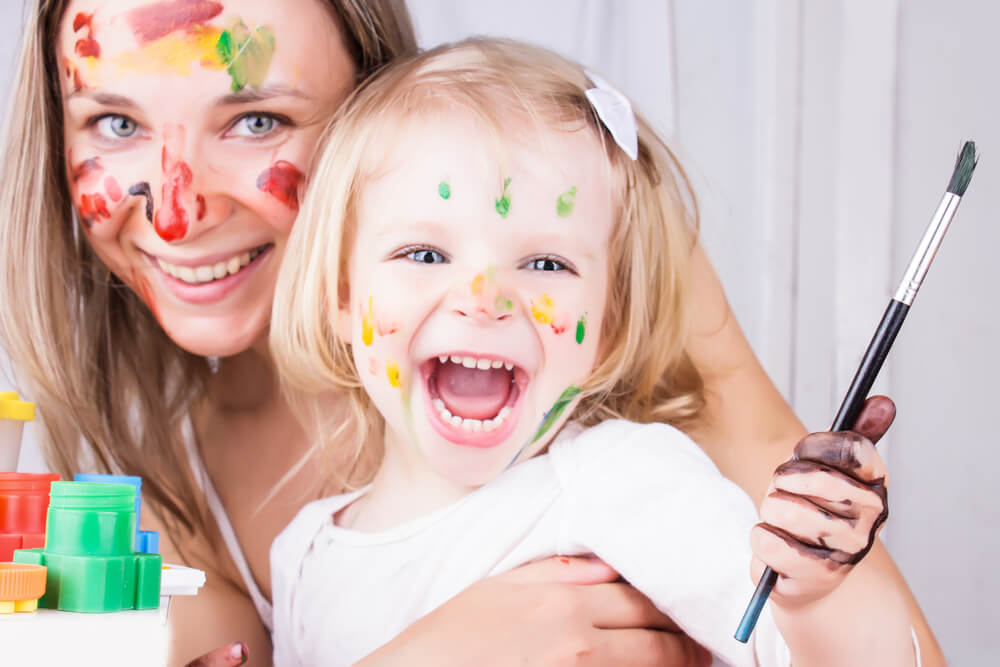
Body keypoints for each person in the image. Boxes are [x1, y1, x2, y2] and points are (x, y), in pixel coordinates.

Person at [0, 1, 942, 665]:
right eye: (115, 120)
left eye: (256, 118)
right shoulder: (202, 524)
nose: (176, 214)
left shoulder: (613, 468)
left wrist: (820, 580)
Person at [267, 37, 917, 666]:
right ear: (343, 296)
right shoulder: (303, 555)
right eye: (426, 253)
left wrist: (815, 596)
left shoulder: (621, 481)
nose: (483, 297)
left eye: (546, 262)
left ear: (608, 322)